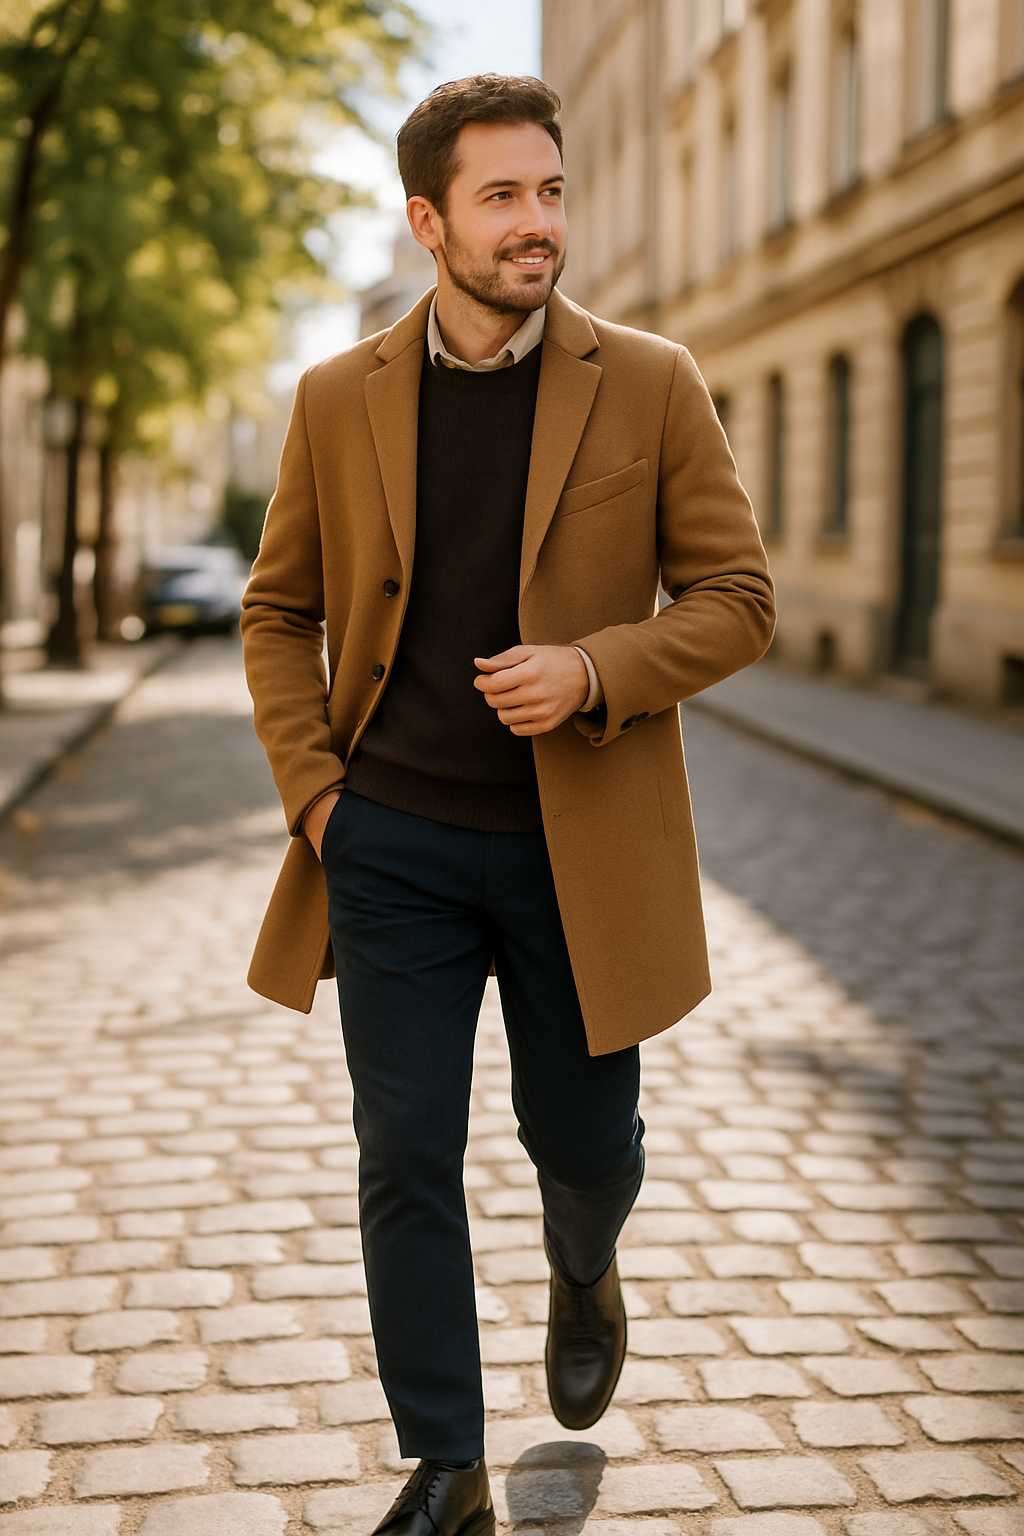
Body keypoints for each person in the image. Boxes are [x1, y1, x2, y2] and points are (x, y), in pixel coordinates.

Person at [241, 73, 774, 1536]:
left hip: (575, 850)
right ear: (429, 222)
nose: (538, 224)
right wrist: (320, 803)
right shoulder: (336, 398)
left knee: (585, 1146)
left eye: (549, 191)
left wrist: (596, 667)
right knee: (402, 1147)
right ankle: (446, 1463)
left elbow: (739, 602)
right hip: (392, 840)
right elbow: (278, 614)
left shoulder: (650, 378)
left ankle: (585, 1262)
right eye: (502, 198)